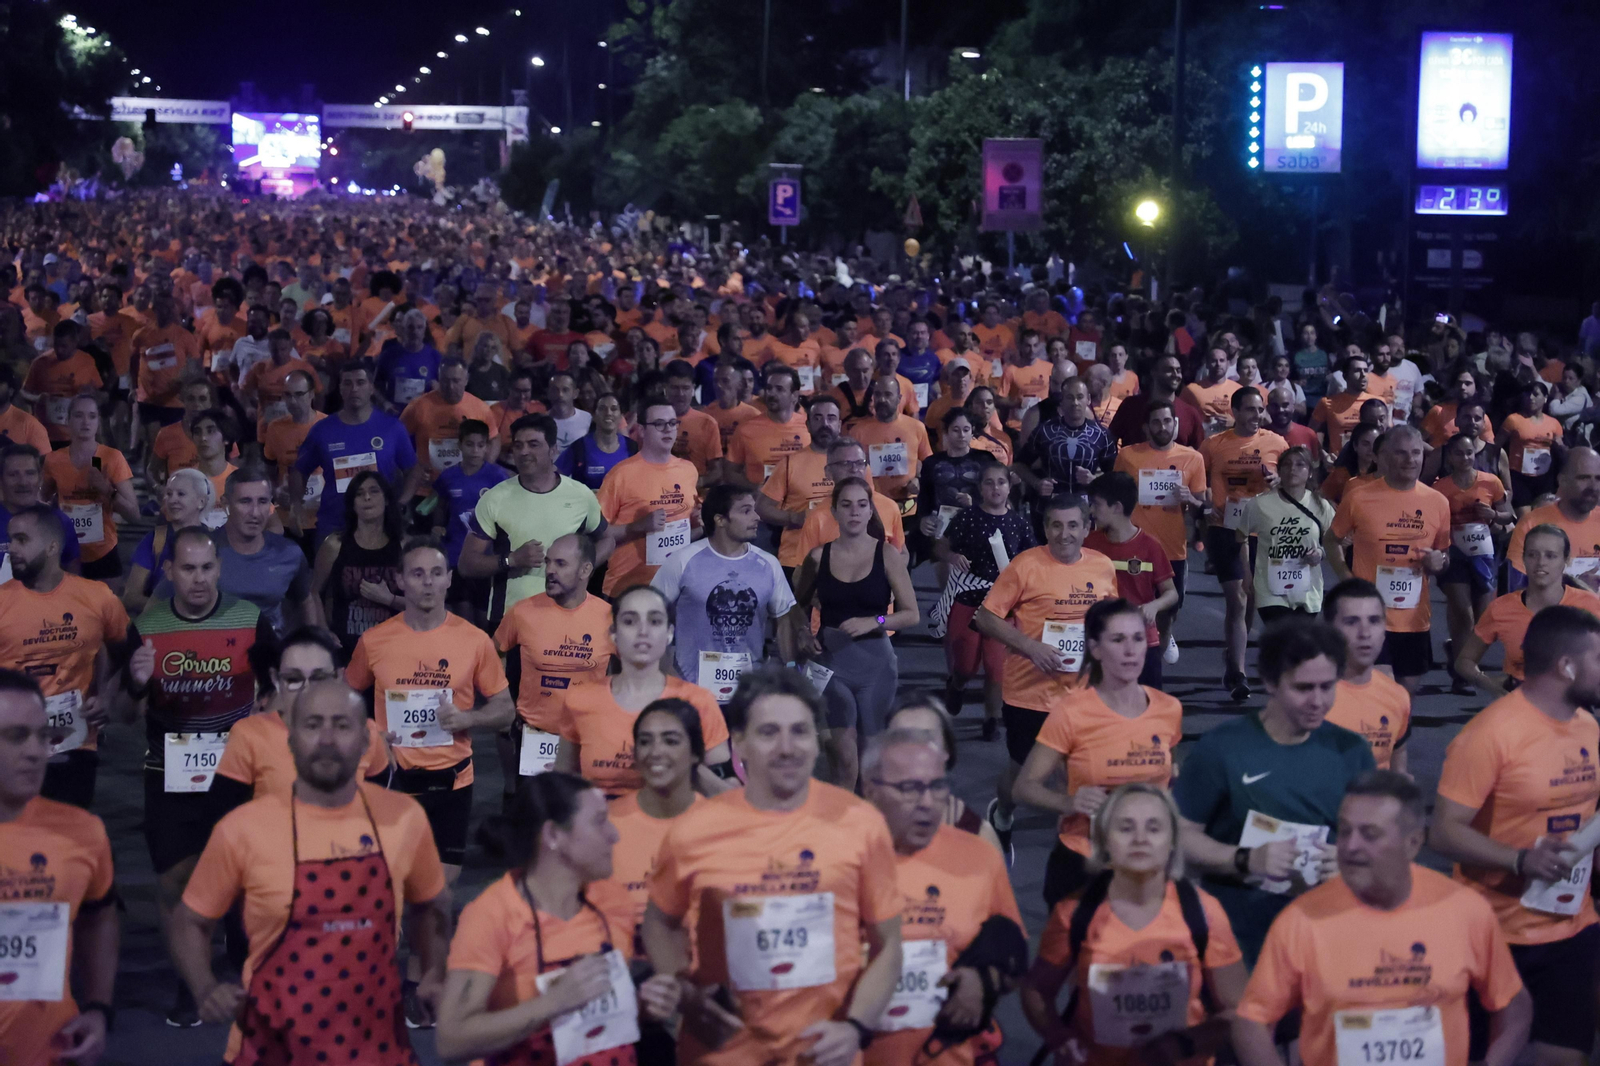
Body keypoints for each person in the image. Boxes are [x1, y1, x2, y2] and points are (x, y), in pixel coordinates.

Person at [171, 679, 452, 1062]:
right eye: (312, 724)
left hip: (377, 1047)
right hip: (270, 1046)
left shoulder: (404, 818)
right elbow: (189, 919)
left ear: (366, 740)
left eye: (341, 725)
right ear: (290, 740)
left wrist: (434, 971)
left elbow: (433, 905)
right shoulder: (241, 829)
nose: (326, 738)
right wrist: (204, 988)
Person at [642, 666, 905, 1066]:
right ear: (740, 744)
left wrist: (855, 1027)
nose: (787, 747)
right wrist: (685, 993)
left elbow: (889, 946)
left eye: (800, 731)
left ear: (817, 742)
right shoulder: (695, 830)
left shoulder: (860, 823)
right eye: (769, 733)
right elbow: (659, 921)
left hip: (823, 1053)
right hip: (722, 1052)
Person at [1232, 771, 1532, 1066]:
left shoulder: (1465, 911)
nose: (1350, 847)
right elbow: (1252, 1021)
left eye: (1369, 834)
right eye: (1346, 830)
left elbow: (1514, 1006)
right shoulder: (1301, 920)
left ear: (1412, 844)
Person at [1428, 605, 1600, 1066]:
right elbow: (1443, 832)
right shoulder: (1490, 735)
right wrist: (1520, 860)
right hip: (1496, 932)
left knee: (1568, 1055)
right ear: (1566, 666)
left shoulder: (1589, 727)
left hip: (1572, 924)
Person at [123, 526, 278, 1027]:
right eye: (187, 568)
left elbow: (280, 691)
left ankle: (245, 969)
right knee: (175, 882)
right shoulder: (147, 627)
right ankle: (192, 984)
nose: (198, 578)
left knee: (245, 880)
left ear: (219, 568)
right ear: (168, 572)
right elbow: (122, 714)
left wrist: (268, 705)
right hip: (168, 771)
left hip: (238, 772)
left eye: (207, 567)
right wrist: (136, 683)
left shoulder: (250, 620)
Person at [436, 771, 682, 1065]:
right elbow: (451, 1039)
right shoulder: (491, 916)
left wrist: (642, 1006)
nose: (614, 835)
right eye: (599, 821)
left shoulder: (612, 901)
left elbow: (600, 1022)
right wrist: (553, 1003)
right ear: (554, 835)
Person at [1174, 618, 1375, 965]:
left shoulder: (1352, 751)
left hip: (1323, 937)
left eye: (1327, 686)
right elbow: (1179, 835)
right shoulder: (1222, 749)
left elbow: (1377, 841)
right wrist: (1245, 859)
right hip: (1239, 941)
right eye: (1303, 688)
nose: (1317, 701)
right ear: (1269, 682)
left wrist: (1350, 863)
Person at [1022, 783, 1246, 1066]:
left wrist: (1184, 1044)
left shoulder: (1203, 913)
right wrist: (1059, 1038)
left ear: (1173, 841)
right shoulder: (1075, 914)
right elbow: (1037, 989)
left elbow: (1237, 1010)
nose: (1140, 839)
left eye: (1154, 828)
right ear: (1103, 841)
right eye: (1126, 828)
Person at [346, 537, 515, 884]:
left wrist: (468, 718)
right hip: (392, 777)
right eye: (418, 573)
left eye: (436, 573)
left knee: (439, 891)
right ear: (400, 580)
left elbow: (506, 711)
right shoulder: (374, 641)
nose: (428, 582)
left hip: (451, 780)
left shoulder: (474, 640)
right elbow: (344, 701)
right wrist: (372, 733)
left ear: (449, 579)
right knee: (388, 884)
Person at [860, 728, 1026, 1066]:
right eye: (909, 788)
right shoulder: (835, 862)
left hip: (953, 1054)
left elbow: (1013, 952)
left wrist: (982, 980)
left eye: (936, 787)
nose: (926, 802)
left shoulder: (978, 857)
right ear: (871, 791)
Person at [1014, 599, 1185, 908]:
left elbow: (1168, 778)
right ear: (1095, 648)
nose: (1131, 650)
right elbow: (1024, 787)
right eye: (1118, 640)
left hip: (1146, 864)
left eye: (1137, 638)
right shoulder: (1072, 712)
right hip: (1084, 864)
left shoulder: (1168, 709)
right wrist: (1067, 802)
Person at [974, 494, 1116, 857]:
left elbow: (1107, 622)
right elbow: (986, 617)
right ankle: (1002, 811)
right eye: (1056, 525)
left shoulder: (1102, 566)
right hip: (1029, 694)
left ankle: (1075, 849)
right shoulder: (1025, 566)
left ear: (1087, 528)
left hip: (1083, 693)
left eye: (1072, 525)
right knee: (1024, 775)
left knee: (1079, 774)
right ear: (1045, 528)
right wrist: (1030, 647)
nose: (1064, 534)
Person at [0, 668, 119, 1066]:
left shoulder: (83, 832)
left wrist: (99, 1009)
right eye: (17, 736)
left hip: (49, 1052)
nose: (37, 751)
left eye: (44, 736)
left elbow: (99, 915)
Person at [793, 477, 921, 790]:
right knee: (844, 760)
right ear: (833, 512)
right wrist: (802, 634)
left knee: (870, 767)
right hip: (831, 664)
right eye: (846, 505)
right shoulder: (818, 557)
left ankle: (869, 831)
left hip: (875, 666)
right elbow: (796, 605)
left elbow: (911, 615)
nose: (854, 512)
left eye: (861, 505)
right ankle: (840, 834)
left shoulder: (888, 555)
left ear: (869, 512)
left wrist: (875, 620)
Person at [0, 505, 128, 810]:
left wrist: (108, 696)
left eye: (21, 540)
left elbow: (127, 655)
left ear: (52, 546)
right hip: (10, 746)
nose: (11, 549)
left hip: (75, 742)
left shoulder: (98, 598)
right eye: (10, 540)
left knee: (66, 838)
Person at [555, 584, 732, 796]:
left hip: (674, 824)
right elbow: (561, 784)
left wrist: (688, 763)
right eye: (630, 621)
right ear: (614, 634)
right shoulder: (581, 699)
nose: (643, 631)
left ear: (669, 633)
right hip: (601, 824)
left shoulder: (696, 701)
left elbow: (728, 793)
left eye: (655, 621)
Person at [1327, 425, 1452, 693]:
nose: (1410, 460)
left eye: (1416, 453)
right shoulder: (1359, 497)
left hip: (1414, 618)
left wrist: (1438, 562)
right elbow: (1332, 539)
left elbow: (1443, 554)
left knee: (1404, 699)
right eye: (1401, 453)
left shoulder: (1438, 502)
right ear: (1384, 457)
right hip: (1369, 616)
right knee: (1381, 691)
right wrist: (1346, 578)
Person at [493, 533, 614, 805]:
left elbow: (625, 671)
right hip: (534, 737)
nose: (549, 570)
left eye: (560, 564)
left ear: (585, 570)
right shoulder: (522, 612)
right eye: (548, 563)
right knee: (532, 830)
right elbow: (493, 654)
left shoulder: (609, 618)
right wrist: (502, 700)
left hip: (588, 740)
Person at [653, 484, 800, 700]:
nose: (757, 517)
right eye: (746, 511)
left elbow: (784, 618)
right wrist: (669, 674)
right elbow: (650, 616)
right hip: (691, 689)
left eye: (755, 509)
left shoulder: (768, 564)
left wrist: (791, 668)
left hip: (749, 691)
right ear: (720, 520)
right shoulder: (682, 561)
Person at [212, 625, 390, 802]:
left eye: (319, 677)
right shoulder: (249, 735)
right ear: (276, 679)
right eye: (294, 679)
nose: (307, 689)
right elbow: (221, 819)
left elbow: (385, 811)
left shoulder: (366, 733)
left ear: (337, 678)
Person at [462, 412, 610, 624]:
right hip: (510, 620)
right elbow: (467, 564)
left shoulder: (580, 495)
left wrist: (582, 567)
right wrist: (511, 560)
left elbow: (607, 539)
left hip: (566, 617)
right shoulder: (494, 498)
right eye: (518, 445)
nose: (524, 452)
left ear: (553, 450)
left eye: (533, 445)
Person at [933, 459, 1038, 738]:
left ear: (1009, 487)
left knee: (996, 667)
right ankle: (956, 684)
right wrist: (953, 556)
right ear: (980, 487)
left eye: (1001, 482)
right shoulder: (967, 518)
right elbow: (942, 545)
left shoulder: (1019, 523)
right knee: (966, 665)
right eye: (989, 482)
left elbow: (1033, 559)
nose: (995, 488)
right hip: (968, 600)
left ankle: (992, 718)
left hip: (1003, 606)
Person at [152, 464, 322, 635]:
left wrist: (313, 642)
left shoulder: (289, 553)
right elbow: (155, 606)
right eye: (245, 501)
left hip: (269, 655)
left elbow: (306, 601)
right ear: (226, 504)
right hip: (213, 656)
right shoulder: (201, 552)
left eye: (263, 502)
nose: (255, 513)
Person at [1112, 400, 1207, 665]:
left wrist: (1190, 499)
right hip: (1134, 546)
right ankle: (1138, 664)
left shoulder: (1193, 458)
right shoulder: (1128, 456)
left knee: (1168, 611)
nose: (1162, 426)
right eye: (1156, 421)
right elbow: (1115, 496)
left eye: (1167, 421)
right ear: (1146, 427)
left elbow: (1201, 508)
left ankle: (1161, 643)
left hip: (1172, 548)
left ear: (1175, 425)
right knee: (1129, 610)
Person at [1456, 525, 1600, 698]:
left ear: (1566, 560)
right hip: (1520, 708)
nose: (1541, 562)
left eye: (1551, 556)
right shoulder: (1501, 608)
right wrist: (1488, 683)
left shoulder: (1590, 605)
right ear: (1523, 559)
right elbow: (1464, 661)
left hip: (1575, 709)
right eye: (1532, 554)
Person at [290, 358, 423, 540]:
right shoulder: (322, 430)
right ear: (340, 389)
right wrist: (296, 504)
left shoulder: (392, 428)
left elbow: (413, 468)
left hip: (381, 526)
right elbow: (298, 470)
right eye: (347, 383)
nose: (354, 389)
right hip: (334, 526)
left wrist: (401, 503)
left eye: (360, 382)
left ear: (371, 388)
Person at [596, 395, 702, 596]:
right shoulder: (621, 474)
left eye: (672, 423)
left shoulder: (688, 470)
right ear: (642, 430)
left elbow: (689, 533)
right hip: (628, 588)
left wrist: (697, 524)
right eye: (659, 424)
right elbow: (598, 532)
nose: (668, 429)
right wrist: (638, 526)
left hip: (677, 585)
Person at [1434, 432, 1515, 690]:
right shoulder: (1440, 488)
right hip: (1453, 554)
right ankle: (1463, 675)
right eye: (1459, 453)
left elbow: (1508, 515)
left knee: (1482, 620)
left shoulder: (1491, 482)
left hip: (1484, 554)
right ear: (1450, 457)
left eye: (1469, 453)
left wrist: (1493, 515)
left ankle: (1456, 654)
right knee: (1463, 612)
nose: (1465, 457)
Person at [1084, 474, 1178, 686]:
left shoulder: (1150, 546)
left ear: (1116, 507)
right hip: (1102, 642)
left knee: (1146, 708)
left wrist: (1154, 606)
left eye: (1096, 505)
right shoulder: (1089, 543)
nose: (1091, 511)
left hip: (1143, 640)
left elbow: (1171, 593)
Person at [885, 698, 1005, 851]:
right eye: (901, 738)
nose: (914, 752)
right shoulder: (863, 829)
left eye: (926, 740)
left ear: (946, 752)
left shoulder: (978, 837)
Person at [41, 394, 137, 585]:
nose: (85, 421)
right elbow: (41, 502)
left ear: (98, 421)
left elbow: (134, 515)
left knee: (106, 613)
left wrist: (107, 490)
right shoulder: (53, 459)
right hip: (66, 552)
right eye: (78, 415)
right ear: (68, 420)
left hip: (103, 551)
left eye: (92, 416)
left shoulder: (112, 457)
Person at [1323, 579, 1413, 773]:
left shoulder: (1397, 696)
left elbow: (1398, 761)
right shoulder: (1308, 699)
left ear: (1384, 632)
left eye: (1374, 621)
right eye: (1351, 622)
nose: (1365, 633)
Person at [1240, 446, 1334, 626]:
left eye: (1300, 465)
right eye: (1287, 465)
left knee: (1299, 647)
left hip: (1308, 591)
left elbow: (1334, 542)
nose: (1293, 469)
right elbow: (1240, 536)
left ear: (1310, 472)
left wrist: (1320, 554)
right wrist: (1246, 573)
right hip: (1270, 589)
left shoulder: (1321, 506)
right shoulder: (1259, 504)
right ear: (1280, 470)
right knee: (1282, 640)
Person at [757, 394, 843, 573]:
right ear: (808, 425)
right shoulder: (789, 464)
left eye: (831, 418)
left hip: (843, 557)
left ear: (840, 425)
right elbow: (762, 507)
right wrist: (794, 517)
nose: (825, 424)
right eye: (818, 418)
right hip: (797, 558)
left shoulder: (854, 462)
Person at [400, 354, 496, 501]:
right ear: (438, 379)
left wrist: (484, 467)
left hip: (466, 488)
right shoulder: (418, 407)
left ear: (466, 380)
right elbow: (397, 441)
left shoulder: (480, 408)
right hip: (427, 490)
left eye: (456, 381)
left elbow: (494, 438)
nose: (450, 387)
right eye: (445, 381)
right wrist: (414, 468)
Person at [1504, 447, 1600, 591]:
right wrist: (1574, 587)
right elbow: (1517, 590)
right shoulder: (1533, 523)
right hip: (1555, 612)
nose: (1593, 486)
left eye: (1598, 478)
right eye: (1583, 478)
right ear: (1563, 480)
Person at [1015, 378, 1118, 497]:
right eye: (1069, 397)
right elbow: (1019, 465)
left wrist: (1094, 480)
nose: (1075, 403)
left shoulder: (1101, 434)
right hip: (1050, 505)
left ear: (1088, 399)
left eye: (1080, 397)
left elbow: (1113, 475)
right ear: (1061, 401)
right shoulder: (1045, 431)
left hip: (1088, 507)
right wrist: (1037, 483)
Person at [0, 441, 82, 579]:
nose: (23, 482)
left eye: (30, 473)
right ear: (1, 480)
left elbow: (73, 578)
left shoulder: (59, 521)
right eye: (13, 475)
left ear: (40, 478)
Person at [850, 375, 932, 511]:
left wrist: (918, 479)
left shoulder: (916, 428)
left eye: (888, 394)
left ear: (899, 399)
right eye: (878, 394)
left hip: (909, 507)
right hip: (872, 508)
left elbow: (927, 461)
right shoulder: (857, 432)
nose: (882, 400)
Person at [727, 364, 810, 489]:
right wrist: (754, 489)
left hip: (801, 502)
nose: (771, 393)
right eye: (769, 388)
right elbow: (730, 472)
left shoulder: (809, 427)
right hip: (760, 504)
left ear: (794, 395)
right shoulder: (746, 430)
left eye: (779, 389)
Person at [1107, 354, 1206, 449]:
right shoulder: (1130, 406)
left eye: (1178, 370)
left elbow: (1200, 451)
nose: (1175, 375)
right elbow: (1109, 440)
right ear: (1154, 372)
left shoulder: (1190, 413)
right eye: (1169, 370)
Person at [1501, 380, 1564, 514]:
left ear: (1545, 398)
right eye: (1528, 394)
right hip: (1519, 475)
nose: (1531, 398)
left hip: (1544, 477)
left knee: (1543, 516)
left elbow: (1561, 448)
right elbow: (1496, 446)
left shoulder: (1553, 423)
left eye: (1535, 394)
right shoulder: (1514, 420)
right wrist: (1502, 471)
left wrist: (1562, 447)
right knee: (1525, 516)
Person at [556, 391, 637, 490]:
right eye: (602, 409)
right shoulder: (580, 447)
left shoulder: (632, 448)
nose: (608, 413)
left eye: (614, 409)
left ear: (621, 416)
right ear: (594, 415)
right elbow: (555, 479)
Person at [1310, 349, 1376, 457]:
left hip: (1369, 466)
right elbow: (1310, 433)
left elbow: (1387, 435)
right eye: (1357, 370)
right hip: (1339, 466)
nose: (1363, 375)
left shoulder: (1376, 402)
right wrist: (1323, 455)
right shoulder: (1327, 403)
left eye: (1365, 370)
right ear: (1345, 376)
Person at [374, 308, 442, 411]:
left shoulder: (435, 356)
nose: (415, 332)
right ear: (403, 329)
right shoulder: (388, 355)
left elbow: (446, 390)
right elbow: (374, 387)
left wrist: (438, 389)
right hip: (395, 417)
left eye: (419, 327)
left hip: (423, 416)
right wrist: (385, 404)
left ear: (424, 331)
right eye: (410, 327)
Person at [1180, 346, 1242, 436]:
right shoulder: (1191, 390)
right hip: (1202, 441)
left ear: (1228, 363)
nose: (1218, 364)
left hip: (1231, 440)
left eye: (1222, 360)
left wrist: (1234, 423)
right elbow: (1181, 416)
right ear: (1207, 364)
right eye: (1214, 361)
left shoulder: (1239, 390)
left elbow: (1248, 418)